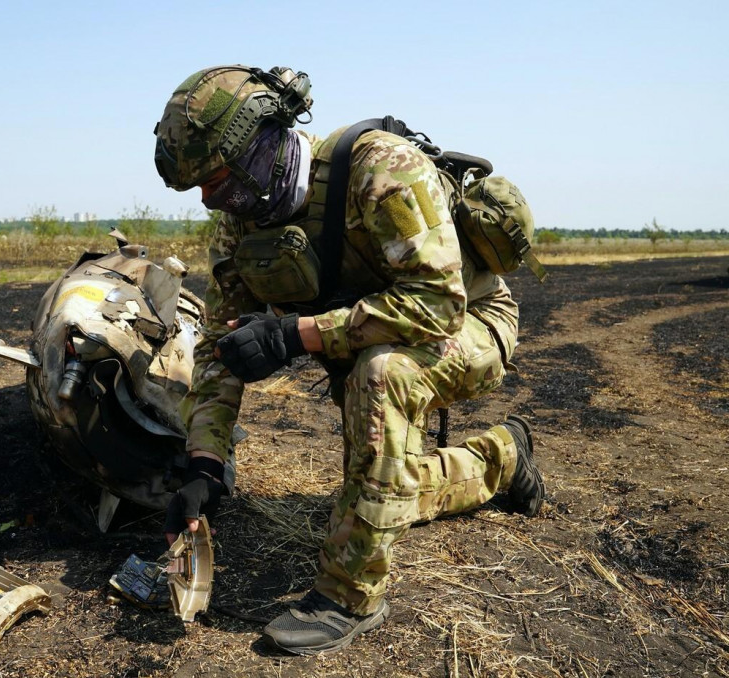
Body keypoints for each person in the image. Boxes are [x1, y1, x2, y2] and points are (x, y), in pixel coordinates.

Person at [154, 65, 546, 655]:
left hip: (470, 326)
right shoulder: (242, 226)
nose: (213, 200)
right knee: (387, 495)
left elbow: (438, 303)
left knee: (380, 374)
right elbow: (217, 347)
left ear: (265, 142)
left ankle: (350, 595)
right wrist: (205, 462)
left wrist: (295, 334)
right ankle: (502, 458)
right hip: (373, 335)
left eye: (219, 180)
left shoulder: (380, 170)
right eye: (201, 190)